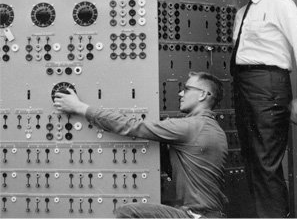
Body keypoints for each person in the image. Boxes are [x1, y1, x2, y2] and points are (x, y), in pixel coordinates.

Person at [53, 71, 228, 218]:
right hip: (210, 214)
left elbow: (132, 126)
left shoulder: (192, 126)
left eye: (187, 89)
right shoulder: (213, 129)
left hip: (195, 215)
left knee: (127, 212)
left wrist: (80, 108)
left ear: (203, 95)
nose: (181, 93)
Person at [230, 0, 297, 217]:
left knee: (265, 162)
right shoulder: (242, 13)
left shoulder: (280, 4)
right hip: (244, 85)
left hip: (268, 85)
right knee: (252, 160)